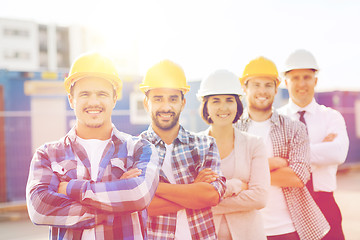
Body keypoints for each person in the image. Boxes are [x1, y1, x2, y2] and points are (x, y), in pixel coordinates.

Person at [26, 52, 160, 240]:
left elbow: (138, 194)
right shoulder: (47, 154)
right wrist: (117, 200)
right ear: (71, 100)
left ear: (114, 99)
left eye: (102, 94)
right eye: (85, 94)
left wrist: (71, 189)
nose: (94, 102)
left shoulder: (140, 149)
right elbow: (40, 207)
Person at [234, 56, 330, 240]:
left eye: (268, 85)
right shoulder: (233, 130)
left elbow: (298, 176)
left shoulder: (294, 128)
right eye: (256, 84)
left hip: (287, 228)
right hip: (245, 230)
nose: (262, 91)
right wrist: (273, 163)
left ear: (276, 88)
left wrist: (247, 178)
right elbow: (227, 175)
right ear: (244, 88)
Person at [139, 60, 226, 240]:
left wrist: (151, 187)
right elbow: (139, 205)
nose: (166, 106)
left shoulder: (205, 145)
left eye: (173, 99)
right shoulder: (134, 150)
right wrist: (193, 191)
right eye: (158, 98)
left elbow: (211, 196)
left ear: (183, 103)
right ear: (146, 103)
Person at [278, 49, 349, 240]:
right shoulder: (276, 120)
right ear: (286, 82)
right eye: (295, 78)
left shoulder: (331, 117)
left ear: (315, 80)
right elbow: (267, 159)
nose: (302, 84)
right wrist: (319, 149)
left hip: (325, 205)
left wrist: (290, 156)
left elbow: (338, 153)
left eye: (307, 77)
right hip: (287, 209)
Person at [197, 69, 270, 240]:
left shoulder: (255, 144)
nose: (223, 107)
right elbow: (190, 198)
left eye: (229, 100)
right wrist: (235, 186)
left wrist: (208, 200)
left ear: (237, 104)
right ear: (206, 106)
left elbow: (260, 198)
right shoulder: (193, 146)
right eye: (215, 101)